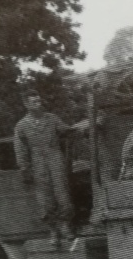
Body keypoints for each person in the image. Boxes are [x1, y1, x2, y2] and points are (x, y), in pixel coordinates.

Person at [14, 91, 85, 246]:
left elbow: (66, 130)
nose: (38, 104)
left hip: (55, 159)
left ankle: (65, 226)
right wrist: (25, 169)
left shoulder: (52, 119)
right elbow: (21, 150)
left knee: (63, 195)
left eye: (39, 101)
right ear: (26, 104)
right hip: (37, 163)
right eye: (34, 102)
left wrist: (81, 127)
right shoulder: (22, 126)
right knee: (45, 200)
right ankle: (53, 230)